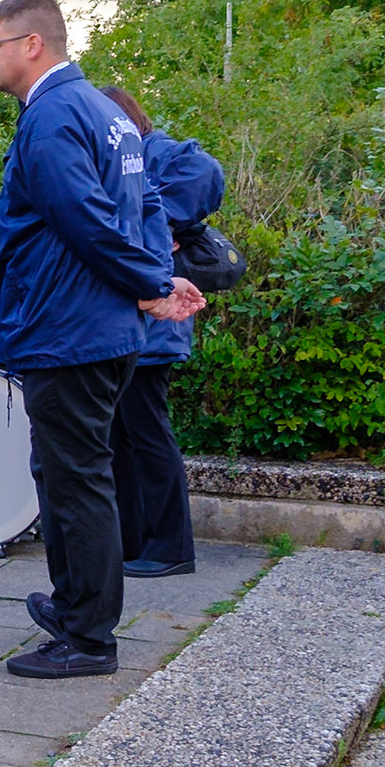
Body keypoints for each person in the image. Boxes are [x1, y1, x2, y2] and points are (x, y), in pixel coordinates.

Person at [0, 0, 204, 680]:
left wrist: (151, 285)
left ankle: (87, 638)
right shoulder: (105, 112)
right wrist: (155, 277)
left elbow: (82, 218)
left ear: (32, 45)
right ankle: (75, 604)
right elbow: (144, 205)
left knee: (75, 482)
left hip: (68, 327)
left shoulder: (52, 115)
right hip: (100, 327)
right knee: (69, 473)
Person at [101, 86, 224, 579]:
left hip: (155, 325)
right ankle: (133, 542)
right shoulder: (127, 157)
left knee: (148, 434)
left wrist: (160, 223)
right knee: (122, 437)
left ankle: (172, 548)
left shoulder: (153, 151)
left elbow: (205, 171)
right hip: (132, 325)